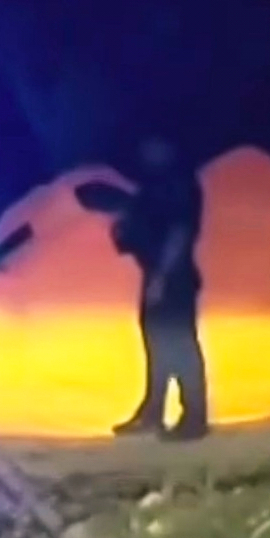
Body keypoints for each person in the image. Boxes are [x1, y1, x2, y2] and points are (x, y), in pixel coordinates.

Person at [110, 134, 209, 441]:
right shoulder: (154, 185)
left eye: (152, 143)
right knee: (160, 347)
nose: (145, 150)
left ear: (168, 146)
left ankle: (193, 419)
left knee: (178, 347)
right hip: (157, 272)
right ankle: (153, 413)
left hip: (172, 278)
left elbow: (180, 233)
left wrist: (162, 278)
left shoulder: (178, 183)